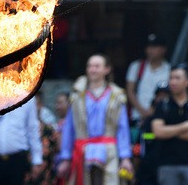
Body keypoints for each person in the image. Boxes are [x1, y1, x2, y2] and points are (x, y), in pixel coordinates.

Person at [57, 54, 133, 185]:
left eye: (97, 66)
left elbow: (122, 128)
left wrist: (125, 157)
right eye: (90, 66)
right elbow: (69, 127)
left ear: (107, 69)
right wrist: (66, 157)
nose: (92, 70)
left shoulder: (116, 96)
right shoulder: (77, 95)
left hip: (109, 152)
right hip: (82, 151)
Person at [151, 63, 188, 185]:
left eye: (177, 78)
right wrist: (184, 127)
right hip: (166, 163)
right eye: (171, 78)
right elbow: (157, 132)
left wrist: (169, 131)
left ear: (187, 81)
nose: (173, 82)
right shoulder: (162, 105)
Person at [126, 34, 171, 125]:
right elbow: (130, 91)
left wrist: (153, 112)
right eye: (148, 47)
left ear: (163, 49)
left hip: (161, 118)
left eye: (154, 47)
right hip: (137, 117)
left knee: (155, 138)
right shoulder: (136, 67)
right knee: (141, 138)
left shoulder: (169, 70)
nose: (150, 50)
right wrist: (143, 111)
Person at [135, 82, 171, 185]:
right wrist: (135, 165)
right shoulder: (148, 121)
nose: (162, 98)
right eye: (160, 96)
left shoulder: (176, 120)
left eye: (166, 96)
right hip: (148, 171)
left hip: (170, 169)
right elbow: (138, 146)